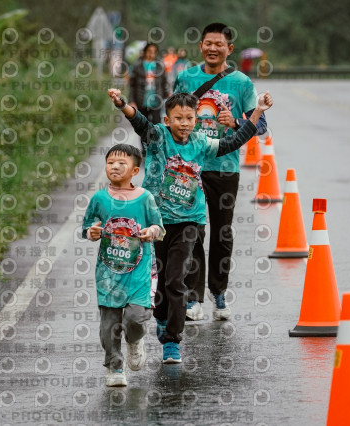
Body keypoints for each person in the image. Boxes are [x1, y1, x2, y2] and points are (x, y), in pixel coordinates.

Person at [108, 87, 273, 363]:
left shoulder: (200, 142)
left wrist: (256, 112)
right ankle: (161, 319)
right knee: (160, 280)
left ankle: (172, 341)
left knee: (176, 279)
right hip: (157, 223)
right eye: (178, 118)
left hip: (189, 222)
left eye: (189, 118)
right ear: (167, 119)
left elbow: (231, 143)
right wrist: (122, 104)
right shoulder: (158, 137)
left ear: (196, 119)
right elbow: (140, 122)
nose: (184, 123)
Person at [174, 22, 268, 322]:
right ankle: (192, 297)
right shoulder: (186, 78)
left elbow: (261, 125)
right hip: (190, 169)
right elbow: (172, 118)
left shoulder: (240, 83)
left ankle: (218, 292)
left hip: (225, 169)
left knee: (222, 233)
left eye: (219, 44)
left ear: (229, 48)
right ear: (200, 46)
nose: (213, 48)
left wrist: (236, 122)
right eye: (208, 43)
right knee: (193, 232)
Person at [81, 144, 165, 387]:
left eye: (121, 163)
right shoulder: (99, 198)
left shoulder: (145, 198)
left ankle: (135, 341)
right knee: (109, 324)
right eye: (110, 163)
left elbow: (159, 228)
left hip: (140, 271)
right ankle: (115, 366)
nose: (115, 167)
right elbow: (87, 227)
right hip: (108, 272)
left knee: (136, 318)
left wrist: (151, 231)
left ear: (135, 170)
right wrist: (91, 232)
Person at [129, 43, 169, 125]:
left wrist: (167, 95)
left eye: (154, 51)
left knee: (156, 126)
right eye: (149, 51)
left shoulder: (159, 66)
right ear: (145, 52)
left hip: (156, 100)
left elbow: (164, 82)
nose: (151, 53)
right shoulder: (138, 66)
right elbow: (132, 85)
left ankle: (154, 138)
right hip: (141, 100)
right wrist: (132, 101)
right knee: (143, 126)